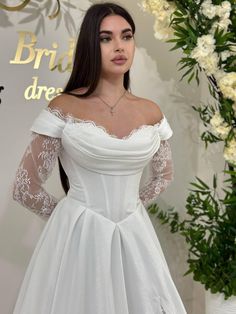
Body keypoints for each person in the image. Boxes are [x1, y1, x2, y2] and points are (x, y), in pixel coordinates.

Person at [12, 2, 187, 313]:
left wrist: (131, 208)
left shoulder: (150, 111)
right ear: (90, 46)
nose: (119, 46)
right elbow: (25, 187)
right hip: (77, 238)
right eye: (106, 38)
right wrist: (72, 218)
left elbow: (164, 176)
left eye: (127, 36)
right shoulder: (64, 106)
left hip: (135, 236)